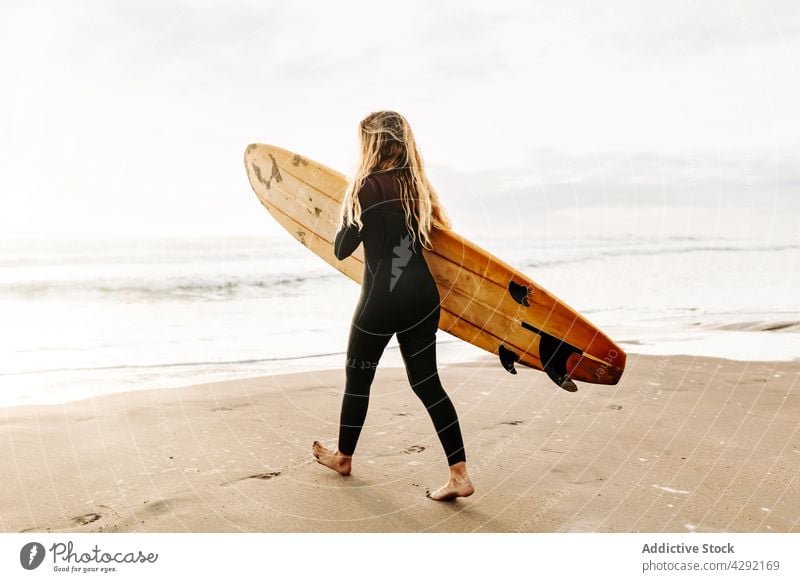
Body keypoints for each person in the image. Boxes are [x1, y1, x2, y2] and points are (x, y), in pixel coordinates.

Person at [312, 111, 474, 501]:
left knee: (358, 381)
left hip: (380, 302)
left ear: (370, 144)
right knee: (427, 384)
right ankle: (460, 475)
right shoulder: (418, 188)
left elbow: (341, 249)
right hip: (422, 298)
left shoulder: (365, 186)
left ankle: (344, 458)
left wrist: (349, 215)